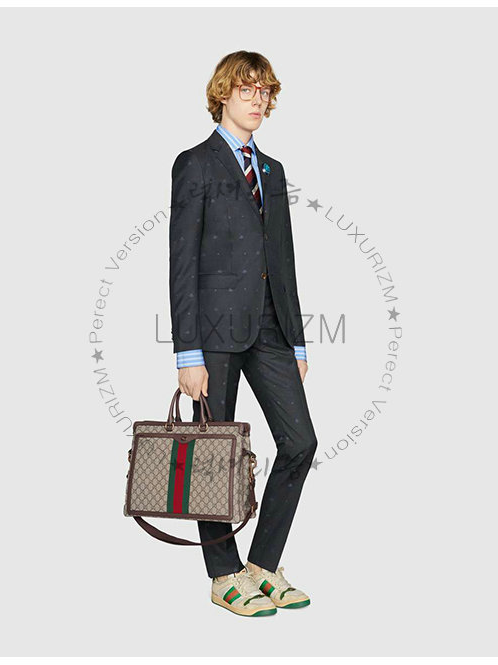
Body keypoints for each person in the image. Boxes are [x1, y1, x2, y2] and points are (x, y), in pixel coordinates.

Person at [169, 50, 317, 617]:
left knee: (300, 443)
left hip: (271, 328)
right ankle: (223, 574)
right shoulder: (195, 164)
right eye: (246, 89)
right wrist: (188, 351)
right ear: (223, 94)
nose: (257, 100)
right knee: (212, 455)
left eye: (265, 91)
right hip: (213, 333)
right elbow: (182, 261)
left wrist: (296, 340)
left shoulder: (272, 171)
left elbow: (285, 259)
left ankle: (262, 565)